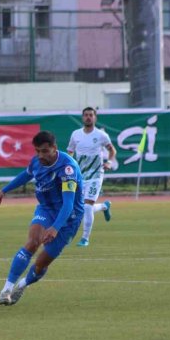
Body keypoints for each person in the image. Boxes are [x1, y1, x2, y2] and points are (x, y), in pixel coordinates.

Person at [0, 130, 84, 306]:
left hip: (68, 217)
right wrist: (4, 190)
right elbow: (26, 175)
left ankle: (22, 284)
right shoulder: (36, 161)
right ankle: (6, 289)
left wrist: (55, 228)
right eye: (37, 151)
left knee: (41, 263)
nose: (40, 155)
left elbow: (68, 204)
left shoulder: (67, 168)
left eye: (44, 151)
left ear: (54, 148)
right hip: (46, 208)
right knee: (33, 242)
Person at [67, 106, 116, 247]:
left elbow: (112, 150)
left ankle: (85, 238)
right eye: (86, 115)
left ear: (95, 118)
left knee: (87, 207)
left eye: (91, 115)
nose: (88, 117)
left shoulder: (101, 135)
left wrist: (109, 162)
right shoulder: (75, 134)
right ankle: (104, 207)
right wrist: (68, 167)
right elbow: (70, 152)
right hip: (80, 176)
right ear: (82, 118)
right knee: (80, 208)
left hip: (96, 174)